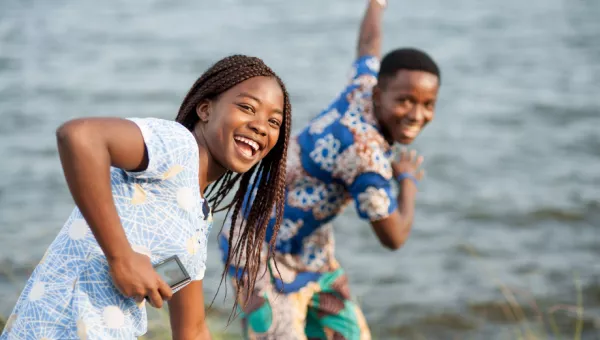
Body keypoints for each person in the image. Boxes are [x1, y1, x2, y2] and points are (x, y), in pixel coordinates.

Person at [1, 55, 292, 340]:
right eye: (246, 107)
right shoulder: (178, 146)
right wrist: (121, 256)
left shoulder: (196, 222)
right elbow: (80, 137)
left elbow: (191, 331)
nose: (261, 125)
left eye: (274, 122)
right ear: (205, 109)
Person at [218, 1, 442, 339]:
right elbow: (394, 237)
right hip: (257, 245)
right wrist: (407, 179)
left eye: (428, 104)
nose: (416, 114)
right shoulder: (367, 160)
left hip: (308, 247)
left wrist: (376, 5)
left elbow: (368, 43)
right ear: (380, 95)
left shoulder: (362, 88)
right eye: (405, 101)